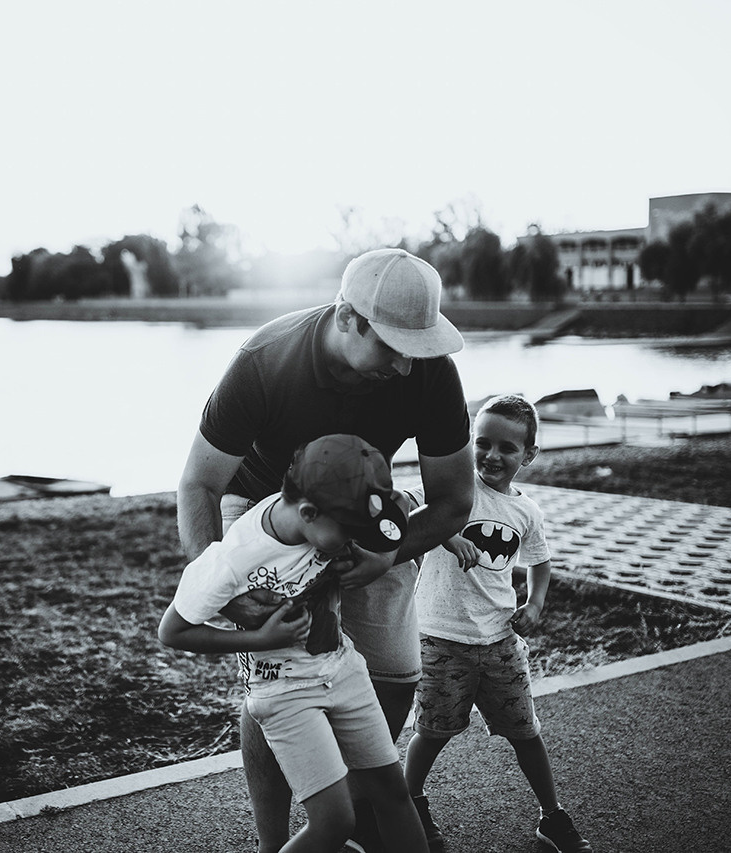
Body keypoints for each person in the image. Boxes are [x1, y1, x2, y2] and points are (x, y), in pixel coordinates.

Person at [177, 247, 475, 853]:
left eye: (416, 348)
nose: (405, 366)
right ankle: (273, 842)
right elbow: (199, 484)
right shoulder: (265, 360)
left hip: (363, 509)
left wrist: (386, 557)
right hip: (267, 511)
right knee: (280, 681)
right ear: (346, 318)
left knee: (395, 674)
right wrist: (225, 589)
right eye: (391, 347)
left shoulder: (429, 369)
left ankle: (355, 814)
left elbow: (453, 501)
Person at [159, 434, 429, 853]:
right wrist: (258, 638)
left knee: (393, 794)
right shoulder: (233, 559)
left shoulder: (323, 514)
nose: (354, 540)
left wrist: (372, 555)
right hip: (284, 691)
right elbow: (172, 631)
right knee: (335, 821)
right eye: (349, 532)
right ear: (308, 512)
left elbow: (391, 513)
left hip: (344, 669)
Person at [403, 395, 593, 853]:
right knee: (431, 732)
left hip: (500, 639)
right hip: (440, 637)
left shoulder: (527, 512)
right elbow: (408, 517)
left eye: (507, 447)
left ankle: (552, 816)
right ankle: (409, 804)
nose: (492, 455)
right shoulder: (452, 489)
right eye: (483, 443)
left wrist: (536, 603)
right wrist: (447, 535)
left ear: (528, 455)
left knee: (526, 732)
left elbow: (540, 561)